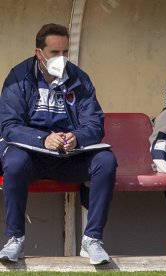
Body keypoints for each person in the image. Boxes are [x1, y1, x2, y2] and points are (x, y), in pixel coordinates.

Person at [0, 23, 117, 265]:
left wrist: (78, 137)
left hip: (68, 156)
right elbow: (9, 125)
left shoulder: (79, 79)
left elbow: (95, 124)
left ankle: (92, 239)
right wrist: (42, 139)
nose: (61, 58)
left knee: (105, 161)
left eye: (65, 52)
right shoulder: (18, 77)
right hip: (32, 157)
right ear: (38, 53)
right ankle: (15, 239)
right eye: (54, 53)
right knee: (13, 161)